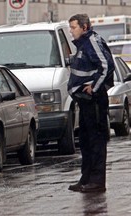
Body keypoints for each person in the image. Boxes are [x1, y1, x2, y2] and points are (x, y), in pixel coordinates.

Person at [67, 14, 115, 193]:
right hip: (84, 101)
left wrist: (94, 87)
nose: (71, 31)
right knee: (86, 140)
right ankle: (86, 178)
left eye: (73, 27)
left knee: (96, 140)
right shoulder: (83, 44)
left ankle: (97, 181)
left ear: (84, 27)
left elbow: (106, 66)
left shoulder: (92, 41)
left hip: (94, 100)